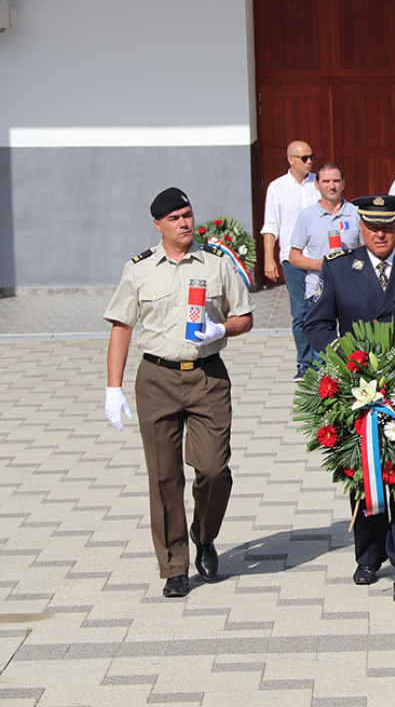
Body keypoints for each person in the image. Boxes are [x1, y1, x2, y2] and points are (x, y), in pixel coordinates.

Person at [104, 187, 255, 598]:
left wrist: (221, 328)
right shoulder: (139, 269)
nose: (184, 223)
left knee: (213, 470)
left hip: (207, 377)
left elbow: (245, 317)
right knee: (164, 476)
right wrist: (113, 388)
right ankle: (174, 566)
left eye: (187, 214)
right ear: (158, 225)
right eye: (173, 218)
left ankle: (204, 535)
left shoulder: (217, 263)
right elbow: (121, 327)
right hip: (157, 378)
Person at [305, 194, 395, 607]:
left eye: (388, 226)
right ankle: (369, 554)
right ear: (360, 227)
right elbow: (316, 324)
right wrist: (343, 356)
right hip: (360, 391)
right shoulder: (339, 267)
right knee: (367, 471)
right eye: (372, 227)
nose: (380, 234)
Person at [260, 140, 319, 382]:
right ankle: (305, 362)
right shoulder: (277, 187)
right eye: (304, 158)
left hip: (318, 258)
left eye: (311, 157)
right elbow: (270, 226)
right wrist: (269, 259)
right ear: (290, 160)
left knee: (320, 309)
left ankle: (323, 362)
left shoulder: (319, 183)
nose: (309, 162)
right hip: (292, 259)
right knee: (300, 312)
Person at [289, 163, 360, 346]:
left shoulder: (356, 213)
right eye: (326, 181)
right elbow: (293, 257)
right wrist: (319, 264)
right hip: (318, 288)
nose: (331, 186)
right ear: (316, 184)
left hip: (351, 288)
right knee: (321, 343)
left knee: (354, 341)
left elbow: (366, 249)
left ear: (343, 183)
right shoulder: (307, 216)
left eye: (336, 181)